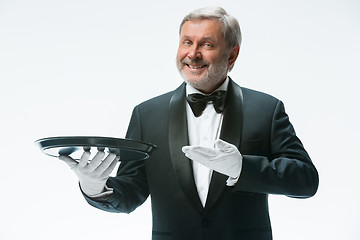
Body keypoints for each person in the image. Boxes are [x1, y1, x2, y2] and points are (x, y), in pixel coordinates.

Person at [60, 6, 319, 240]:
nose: (192, 54)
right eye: (187, 42)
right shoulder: (146, 114)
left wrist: (243, 168)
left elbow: (306, 180)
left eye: (206, 44)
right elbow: (131, 193)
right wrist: (95, 188)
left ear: (232, 55)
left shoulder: (266, 109)